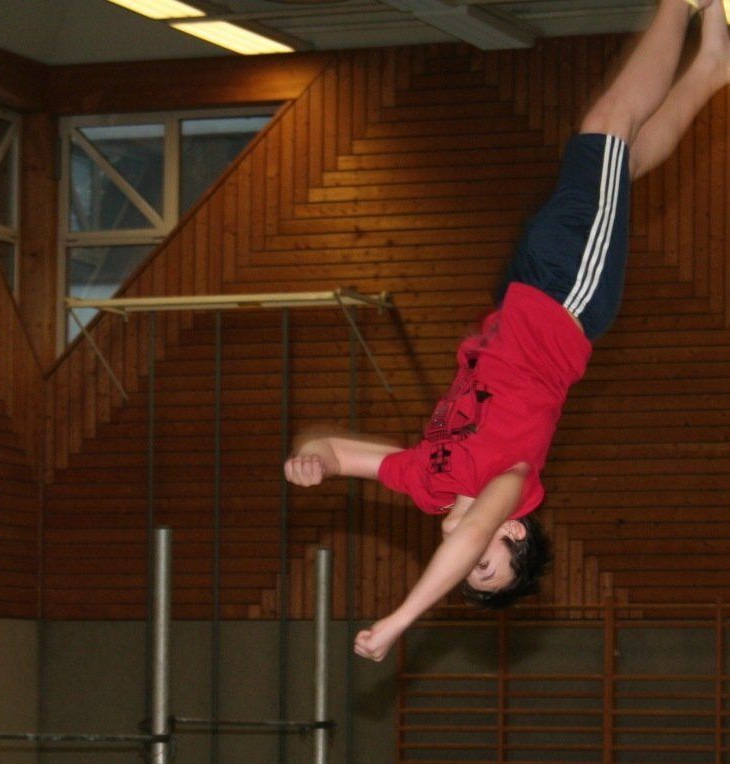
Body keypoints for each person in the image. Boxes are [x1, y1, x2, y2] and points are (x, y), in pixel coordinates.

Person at [286, 0, 730, 663]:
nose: (465, 558)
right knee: (606, 128)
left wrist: (312, 458)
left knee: (620, 164)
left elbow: (339, 451)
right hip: (566, 299)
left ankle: (712, 67)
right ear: (513, 531)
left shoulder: (430, 483)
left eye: (467, 573)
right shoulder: (513, 484)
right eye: (484, 565)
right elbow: (469, 536)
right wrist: (401, 620)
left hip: (521, 295)